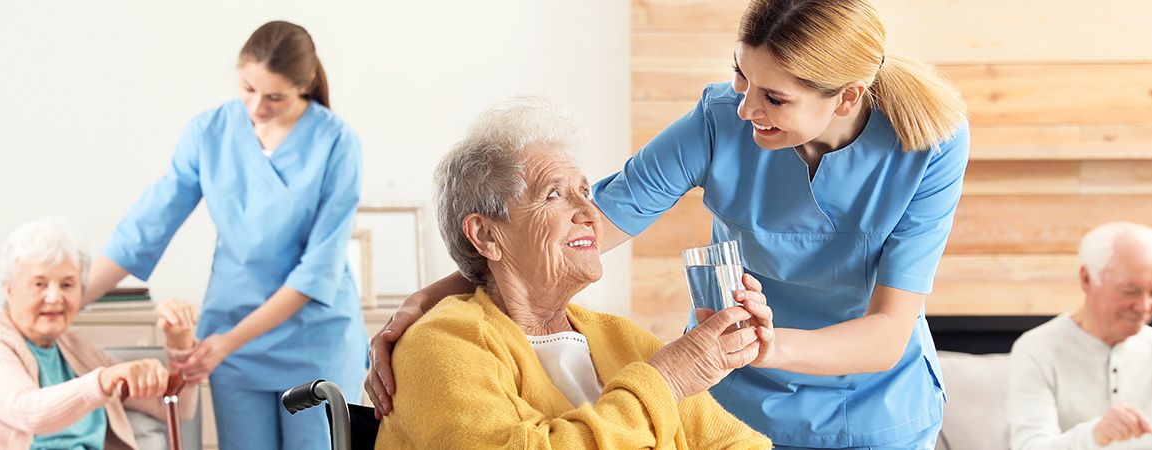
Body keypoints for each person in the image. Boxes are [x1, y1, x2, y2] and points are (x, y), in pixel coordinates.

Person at [371, 1, 969, 447]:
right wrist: (430, 297)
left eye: (773, 97)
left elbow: (889, 331)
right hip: (735, 388)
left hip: (867, 403)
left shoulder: (927, 144)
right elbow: (586, 226)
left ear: (845, 98)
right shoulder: (721, 120)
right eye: (740, 75)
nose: (745, 107)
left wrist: (759, 345)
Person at [375, 97, 772, 449]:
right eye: (553, 195)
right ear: (486, 234)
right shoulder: (442, 344)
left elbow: (738, 443)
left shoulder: (619, 337)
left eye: (585, 192)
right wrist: (664, 382)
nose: (589, 214)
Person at [82, 20, 366, 450]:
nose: (256, 106)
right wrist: (70, 302)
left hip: (313, 341)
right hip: (233, 340)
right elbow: (146, 227)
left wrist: (225, 343)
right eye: (248, 88)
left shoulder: (337, 143)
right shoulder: (209, 133)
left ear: (305, 83)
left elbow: (317, 271)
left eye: (274, 96)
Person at [0, 217, 200, 449]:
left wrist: (180, 343)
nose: (54, 297)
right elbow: (29, 411)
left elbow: (178, 408)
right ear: (10, 290)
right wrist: (103, 381)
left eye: (67, 284)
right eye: (39, 284)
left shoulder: (73, 345)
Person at [1006, 222, 1152, 450]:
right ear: (1086, 279)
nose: (1144, 306)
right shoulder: (1036, 349)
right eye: (1130, 291)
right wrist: (1095, 435)